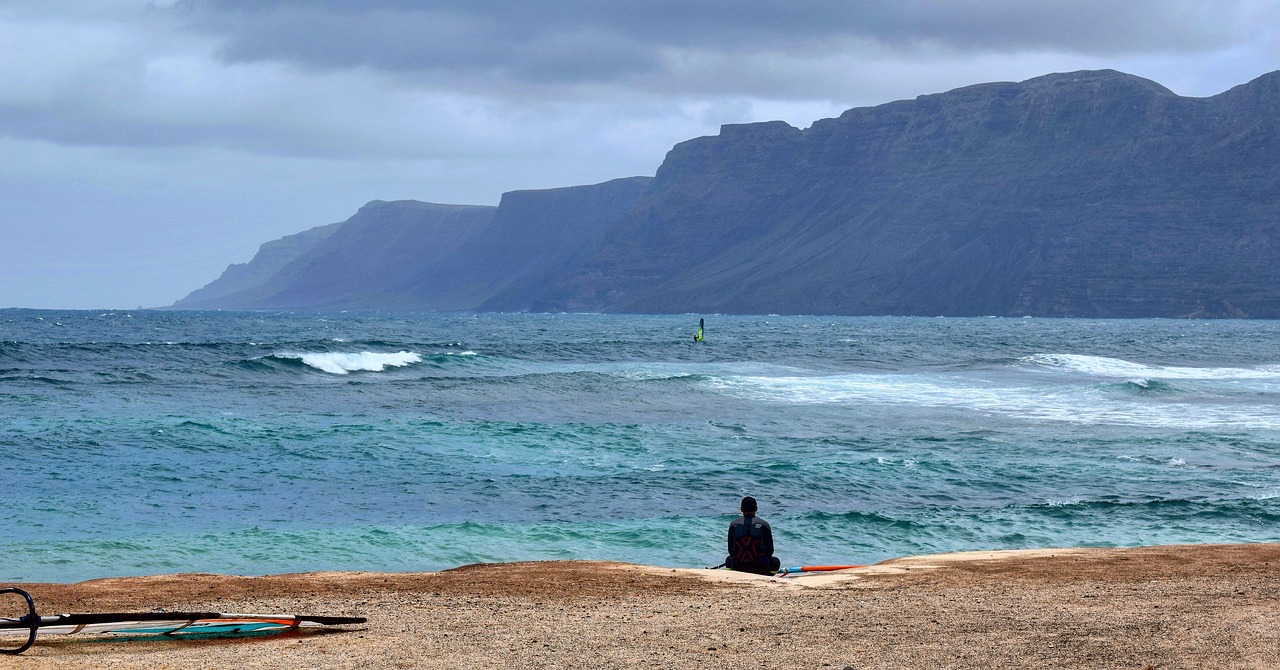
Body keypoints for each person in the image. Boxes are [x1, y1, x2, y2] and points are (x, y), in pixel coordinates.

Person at [725, 496, 780, 575]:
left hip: (738, 566)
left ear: (741, 509)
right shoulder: (764, 525)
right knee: (775, 561)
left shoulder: (733, 525)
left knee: (729, 560)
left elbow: (731, 551)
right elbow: (770, 551)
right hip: (760, 567)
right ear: (756, 509)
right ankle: (767, 576)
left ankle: (733, 576)